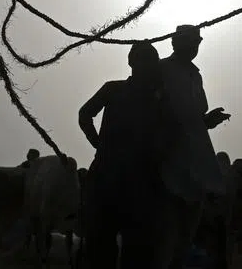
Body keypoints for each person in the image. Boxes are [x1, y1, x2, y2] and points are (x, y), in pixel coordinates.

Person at [78, 41, 178, 268]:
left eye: (150, 60)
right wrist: (99, 145)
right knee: (104, 247)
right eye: (143, 59)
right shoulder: (116, 90)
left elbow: (173, 132)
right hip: (114, 179)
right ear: (132, 63)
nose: (147, 66)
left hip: (135, 181)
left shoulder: (158, 99)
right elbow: (84, 115)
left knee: (133, 250)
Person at [154, 25, 230, 269]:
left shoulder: (195, 75)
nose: (193, 47)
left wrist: (207, 122)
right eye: (188, 42)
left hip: (194, 161)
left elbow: (197, 115)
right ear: (175, 43)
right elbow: (154, 110)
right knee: (164, 235)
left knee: (185, 237)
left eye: (196, 43)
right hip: (165, 159)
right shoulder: (161, 70)